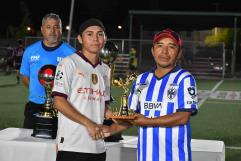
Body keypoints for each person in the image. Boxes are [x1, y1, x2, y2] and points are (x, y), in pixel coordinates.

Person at [105, 28, 198, 161]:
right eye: (160, 46)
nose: (164, 51)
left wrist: (147, 121)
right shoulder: (141, 79)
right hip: (145, 156)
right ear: (153, 51)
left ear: (179, 53)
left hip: (176, 157)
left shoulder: (185, 79)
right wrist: (108, 130)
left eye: (171, 47)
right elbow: (131, 117)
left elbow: (183, 117)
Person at [52, 18, 112, 161]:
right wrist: (88, 124)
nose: (95, 39)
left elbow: (103, 106)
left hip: (97, 146)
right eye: (89, 34)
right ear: (80, 38)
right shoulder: (68, 63)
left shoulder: (106, 69)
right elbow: (59, 102)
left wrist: (120, 117)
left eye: (100, 34)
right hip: (72, 145)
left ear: (105, 39)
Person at [20, 13, 75, 129]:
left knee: (56, 143)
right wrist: (37, 92)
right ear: (42, 29)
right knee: (27, 143)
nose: (53, 31)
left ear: (61, 30)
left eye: (56, 27)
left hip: (61, 106)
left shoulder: (71, 53)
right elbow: (24, 75)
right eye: (48, 27)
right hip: (34, 106)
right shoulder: (30, 51)